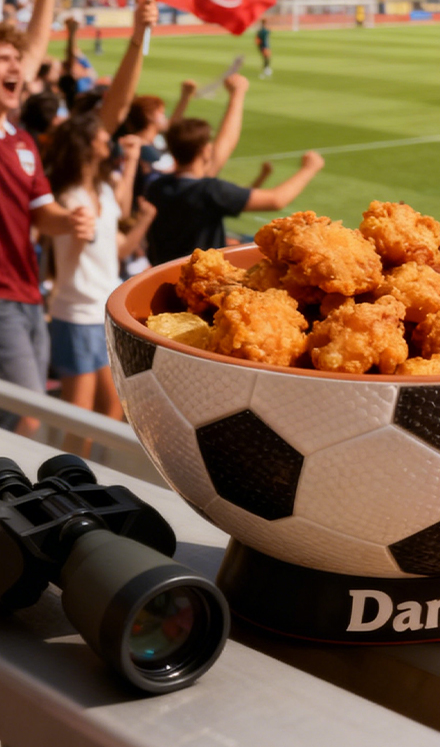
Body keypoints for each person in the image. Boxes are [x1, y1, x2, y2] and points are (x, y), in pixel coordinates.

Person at [0, 23, 94, 436]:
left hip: (28, 293)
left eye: (18, 60)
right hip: (2, 298)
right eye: (5, 59)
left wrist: (71, 221)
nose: (16, 67)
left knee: (16, 413)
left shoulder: (22, 142)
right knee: (30, 414)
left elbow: (42, 213)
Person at [44, 114, 154, 456]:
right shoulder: (67, 199)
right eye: (101, 135)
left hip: (102, 312)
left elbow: (119, 246)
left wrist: (145, 218)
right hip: (75, 314)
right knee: (80, 413)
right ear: (86, 145)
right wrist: (77, 236)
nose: (108, 137)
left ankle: (81, 478)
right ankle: (65, 484)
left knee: (112, 409)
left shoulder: (104, 191)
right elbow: (67, 250)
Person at [145, 74, 325, 266]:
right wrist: (309, 168)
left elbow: (224, 147)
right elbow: (276, 199)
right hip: (198, 280)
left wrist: (236, 95)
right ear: (205, 151)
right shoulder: (209, 191)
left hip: (160, 274)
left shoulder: (156, 186)